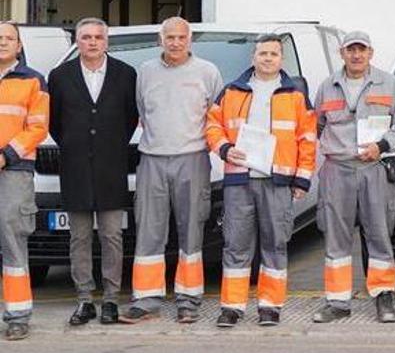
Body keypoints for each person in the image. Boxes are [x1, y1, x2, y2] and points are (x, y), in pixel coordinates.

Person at [206, 34, 316, 328]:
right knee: (236, 245)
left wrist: (302, 180)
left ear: (282, 59)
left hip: (277, 182)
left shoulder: (295, 95)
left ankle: (270, 305)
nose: (268, 58)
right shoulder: (232, 91)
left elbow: (307, 139)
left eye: (273, 54)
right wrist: (225, 149)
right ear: (253, 57)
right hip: (239, 181)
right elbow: (212, 125)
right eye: (263, 53)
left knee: (275, 245)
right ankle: (232, 306)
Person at [120, 17, 223, 324]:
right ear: (160, 39)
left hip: (192, 158)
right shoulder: (146, 72)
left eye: (181, 37)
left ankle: (188, 298)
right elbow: (141, 110)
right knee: (149, 229)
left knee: (191, 229)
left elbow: (217, 115)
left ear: (190, 40)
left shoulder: (207, 72)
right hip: (152, 158)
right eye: (170, 37)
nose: (175, 42)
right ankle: (147, 298)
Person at [48, 18, 137, 327]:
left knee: (112, 236)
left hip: (111, 168)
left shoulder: (126, 74)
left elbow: (130, 119)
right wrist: (77, 146)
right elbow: (55, 124)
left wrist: (107, 148)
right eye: (86, 37)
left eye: (99, 37)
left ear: (106, 41)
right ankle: (84, 300)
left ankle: (111, 300)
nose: (93, 42)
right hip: (74, 169)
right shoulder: (60, 76)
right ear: (77, 41)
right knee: (79, 237)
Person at [311, 31, 395, 324]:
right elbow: (318, 125)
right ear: (342, 54)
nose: (356, 55)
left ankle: (384, 296)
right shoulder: (327, 86)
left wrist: (381, 147)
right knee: (335, 235)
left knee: (378, 232)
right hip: (337, 169)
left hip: (373, 168)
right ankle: (338, 301)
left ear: (370, 53)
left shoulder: (389, 83)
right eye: (350, 50)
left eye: (361, 50)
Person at [0, 22, 49, 340]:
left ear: (19, 46)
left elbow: (38, 127)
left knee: (12, 238)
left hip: (14, 171)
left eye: (8, 38)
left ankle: (17, 315)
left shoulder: (33, 80)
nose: (2, 42)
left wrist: (5, 155)